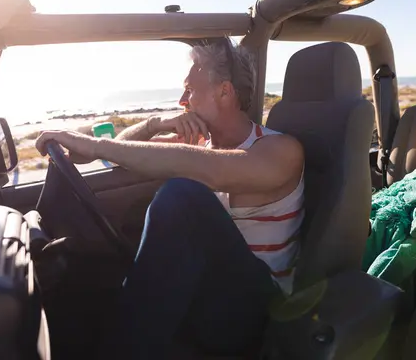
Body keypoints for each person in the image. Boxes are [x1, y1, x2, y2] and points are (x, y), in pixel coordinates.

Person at [35, 37, 305, 359]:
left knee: (182, 197)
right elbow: (124, 154)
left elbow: (215, 172)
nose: (182, 101)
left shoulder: (281, 150)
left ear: (224, 91)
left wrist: (95, 145)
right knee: (87, 298)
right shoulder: (198, 149)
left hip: (258, 311)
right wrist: (154, 125)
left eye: (190, 90)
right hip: (206, 295)